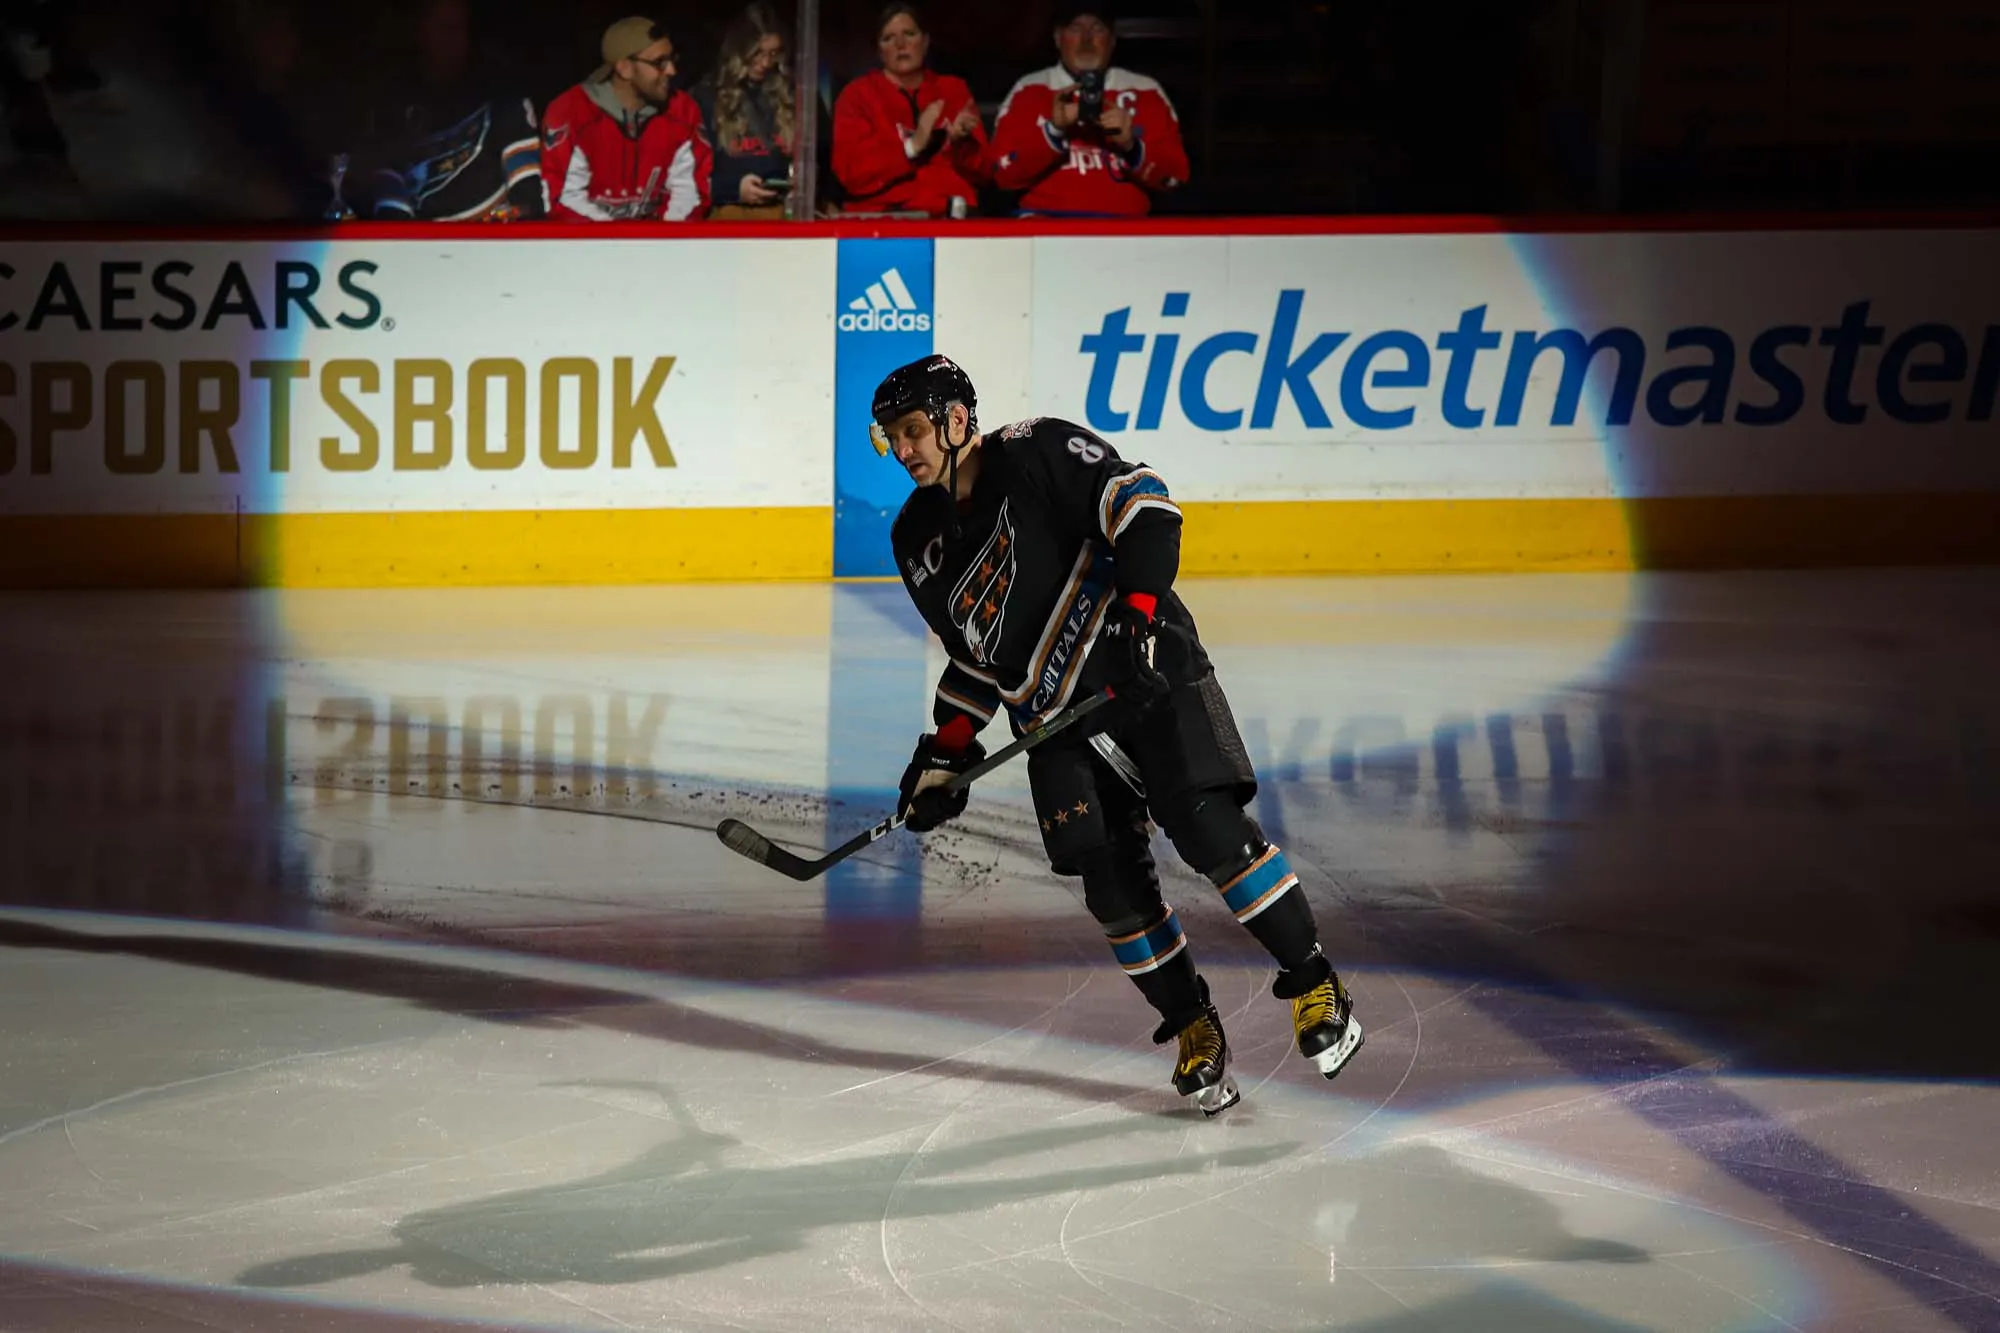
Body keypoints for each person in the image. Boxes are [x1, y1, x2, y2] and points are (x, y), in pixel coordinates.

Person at [871, 354, 1363, 1115]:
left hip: (1142, 669)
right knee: (1114, 894)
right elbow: (976, 656)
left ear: (956, 418)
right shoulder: (914, 538)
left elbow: (1147, 509)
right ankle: (1195, 1025)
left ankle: (1314, 981)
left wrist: (1136, 617)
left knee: (1212, 837)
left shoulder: (1033, 449)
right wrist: (947, 749)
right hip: (1055, 725)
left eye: (912, 430)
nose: (903, 450)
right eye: (891, 438)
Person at [352, 0, 547, 221]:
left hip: (488, 231)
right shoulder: (394, 94)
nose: (451, 38)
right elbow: (387, 178)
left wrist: (520, 219)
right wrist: (401, 233)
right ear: (420, 32)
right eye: (442, 27)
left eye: (458, 28)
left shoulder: (501, 87)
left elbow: (526, 183)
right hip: (421, 237)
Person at [990, 3, 1188, 217]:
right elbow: (1001, 176)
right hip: (1046, 226)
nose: (1086, 40)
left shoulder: (1145, 90)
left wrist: (1131, 147)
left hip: (1125, 231)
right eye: (1075, 29)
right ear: (1058, 38)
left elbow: (1174, 180)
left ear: (1112, 41)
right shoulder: (1029, 89)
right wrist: (1053, 132)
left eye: (1097, 29)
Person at [540, 15, 711, 221]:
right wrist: (618, 241)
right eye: (659, 63)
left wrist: (661, 241)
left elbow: (691, 194)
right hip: (589, 246)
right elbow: (562, 199)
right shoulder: (572, 111)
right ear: (624, 68)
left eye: (672, 59)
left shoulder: (682, 111)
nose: (671, 70)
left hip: (661, 244)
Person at [830, 3, 987, 217]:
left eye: (909, 34)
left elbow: (985, 172)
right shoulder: (857, 96)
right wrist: (912, 146)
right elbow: (851, 173)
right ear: (879, 51)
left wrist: (961, 144)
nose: (900, 45)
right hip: (886, 219)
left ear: (925, 42)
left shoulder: (953, 90)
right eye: (888, 38)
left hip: (954, 218)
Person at [691, 2, 795, 220]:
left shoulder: (789, 93)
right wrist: (733, 189)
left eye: (773, 53)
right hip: (727, 215)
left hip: (782, 214)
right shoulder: (706, 98)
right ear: (739, 50)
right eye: (757, 53)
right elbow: (687, 179)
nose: (766, 63)